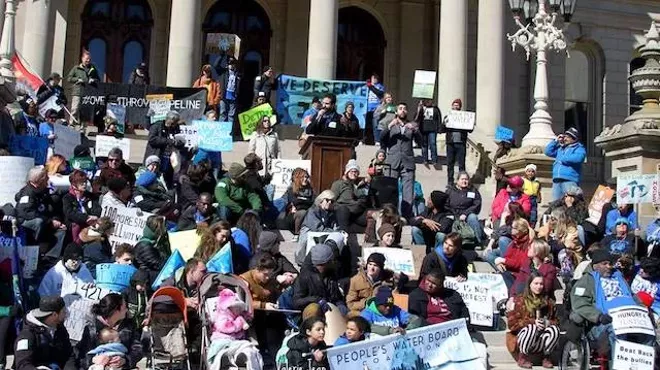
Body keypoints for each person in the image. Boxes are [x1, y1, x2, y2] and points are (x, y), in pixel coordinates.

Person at [570, 249, 653, 358]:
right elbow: (580, 304)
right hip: (602, 322)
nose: (609, 266)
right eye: (604, 264)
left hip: (629, 318)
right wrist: (598, 316)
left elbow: (631, 296)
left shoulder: (618, 277)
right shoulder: (586, 281)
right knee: (617, 332)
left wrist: (642, 309)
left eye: (610, 263)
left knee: (648, 333)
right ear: (595, 265)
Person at [506, 273, 559, 369]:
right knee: (532, 328)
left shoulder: (548, 302)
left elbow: (557, 321)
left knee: (554, 329)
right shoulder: (520, 300)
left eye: (541, 284)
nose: (539, 287)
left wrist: (548, 323)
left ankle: (546, 357)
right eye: (536, 283)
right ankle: (522, 358)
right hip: (523, 339)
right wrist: (532, 321)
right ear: (529, 284)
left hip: (541, 340)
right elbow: (512, 325)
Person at [78, 293, 142, 369]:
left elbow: (138, 349)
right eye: (124, 307)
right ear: (115, 311)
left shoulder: (128, 325)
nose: (127, 310)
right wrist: (93, 359)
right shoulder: (92, 329)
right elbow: (81, 356)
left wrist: (125, 360)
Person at [380, 102, 420, 218]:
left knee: (408, 190)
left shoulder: (412, 125)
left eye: (404, 109)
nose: (403, 110)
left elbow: (421, 142)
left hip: (407, 162)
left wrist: (415, 131)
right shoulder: (389, 123)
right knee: (391, 189)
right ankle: (390, 215)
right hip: (393, 161)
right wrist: (389, 126)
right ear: (396, 112)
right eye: (400, 108)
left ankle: (407, 215)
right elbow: (382, 138)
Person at [15, 167, 66, 257]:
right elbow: (24, 213)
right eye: (46, 177)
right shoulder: (27, 193)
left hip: (45, 221)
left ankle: (50, 258)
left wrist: (55, 220)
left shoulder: (44, 192)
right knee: (38, 222)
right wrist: (49, 221)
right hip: (27, 224)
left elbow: (51, 209)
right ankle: (32, 253)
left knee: (61, 230)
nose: (48, 179)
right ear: (40, 180)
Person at [14, 296, 75, 370]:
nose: (66, 314)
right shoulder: (27, 335)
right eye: (63, 311)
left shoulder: (59, 328)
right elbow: (22, 364)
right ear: (54, 315)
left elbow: (68, 354)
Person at [292, 242, 347, 317]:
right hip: (311, 314)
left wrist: (340, 304)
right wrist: (317, 300)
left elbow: (336, 297)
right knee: (313, 308)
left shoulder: (331, 274)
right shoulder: (304, 277)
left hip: (330, 311)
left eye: (321, 264)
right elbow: (296, 302)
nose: (319, 267)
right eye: (318, 265)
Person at [297, 190, 340, 265]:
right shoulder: (312, 211)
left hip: (322, 237)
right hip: (308, 239)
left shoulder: (332, 214)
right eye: (327, 200)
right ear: (321, 200)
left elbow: (336, 227)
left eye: (332, 201)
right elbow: (318, 228)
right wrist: (333, 232)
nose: (329, 203)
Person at [144, 110, 187, 185]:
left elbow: (179, 140)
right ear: (170, 120)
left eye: (176, 122)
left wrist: (179, 142)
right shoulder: (157, 126)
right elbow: (152, 139)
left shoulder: (176, 128)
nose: (175, 124)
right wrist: (169, 141)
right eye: (174, 122)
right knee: (152, 180)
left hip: (170, 161)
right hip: (156, 157)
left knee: (168, 182)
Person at [544, 127, 587, 201]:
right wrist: (555, 141)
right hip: (557, 180)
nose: (565, 138)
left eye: (568, 137)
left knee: (571, 202)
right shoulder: (560, 149)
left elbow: (578, 158)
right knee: (556, 203)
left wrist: (562, 159)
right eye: (565, 136)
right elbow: (548, 151)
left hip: (569, 180)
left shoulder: (579, 148)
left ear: (574, 139)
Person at [62, 170, 101, 244]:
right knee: (76, 225)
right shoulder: (67, 198)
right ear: (73, 184)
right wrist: (86, 218)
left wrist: (94, 217)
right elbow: (69, 213)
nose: (84, 185)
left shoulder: (91, 196)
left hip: (91, 222)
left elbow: (97, 209)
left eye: (85, 182)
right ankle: (76, 245)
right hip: (75, 223)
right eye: (81, 183)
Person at [446, 171, 483, 245]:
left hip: (467, 214)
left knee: (473, 217)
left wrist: (465, 214)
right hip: (452, 213)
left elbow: (477, 204)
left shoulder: (473, 190)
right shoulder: (450, 190)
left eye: (466, 179)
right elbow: (445, 204)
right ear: (457, 181)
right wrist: (452, 214)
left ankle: (478, 241)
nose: (464, 181)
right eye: (462, 179)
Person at [331, 159, 369, 232]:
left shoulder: (359, 186)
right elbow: (332, 201)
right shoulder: (339, 184)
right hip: (343, 212)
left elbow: (364, 200)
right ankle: (344, 236)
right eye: (351, 171)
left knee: (370, 216)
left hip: (356, 213)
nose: (354, 173)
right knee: (343, 210)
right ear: (347, 172)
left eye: (356, 172)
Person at [440, 99, 471, 184]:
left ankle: (462, 181)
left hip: (461, 143)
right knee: (450, 164)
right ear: (452, 106)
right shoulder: (447, 117)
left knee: (461, 164)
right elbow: (441, 130)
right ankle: (450, 181)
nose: (456, 106)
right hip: (450, 143)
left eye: (457, 105)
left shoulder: (464, 117)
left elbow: (470, 130)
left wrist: (470, 123)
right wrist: (444, 123)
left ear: (460, 107)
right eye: (454, 105)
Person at [277, 168, 314, 240]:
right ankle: (297, 234)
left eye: (306, 177)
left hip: (307, 213)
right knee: (302, 212)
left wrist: (301, 202)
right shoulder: (291, 189)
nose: (305, 179)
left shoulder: (310, 190)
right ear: (297, 178)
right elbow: (295, 202)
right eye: (302, 177)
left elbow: (313, 202)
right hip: (292, 216)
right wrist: (305, 202)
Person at [67, 50, 100, 128]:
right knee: (75, 108)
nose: (88, 60)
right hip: (77, 91)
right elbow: (69, 78)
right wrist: (78, 79)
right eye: (86, 59)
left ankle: (83, 127)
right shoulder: (76, 68)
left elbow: (98, 79)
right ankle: (72, 124)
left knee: (85, 111)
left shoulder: (93, 69)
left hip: (88, 93)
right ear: (82, 59)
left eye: (89, 59)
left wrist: (93, 80)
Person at [133, 215, 171, 283]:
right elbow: (159, 265)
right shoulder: (144, 245)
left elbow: (169, 257)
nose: (163, 230)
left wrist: (165, 243)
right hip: (147, 282)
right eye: (161, 228)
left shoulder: (156, 243)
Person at [415, 99, 442, 165]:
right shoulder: (421, 108)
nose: (428, 102)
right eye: (426, 101)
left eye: (429, 101)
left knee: (432, 144)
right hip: (423, 129)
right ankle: (425, 159)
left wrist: (439, 128)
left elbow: (439, 118)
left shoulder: (435, 108)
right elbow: (416, 118)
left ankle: (434, 160)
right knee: (424, 144)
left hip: (433, 129)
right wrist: (419, 108)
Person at [216, 56, 241, 122]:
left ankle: (230, 129)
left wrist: (237, 93)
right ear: (227, 64)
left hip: (233, 96)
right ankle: (221, 129)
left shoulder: (238, 74)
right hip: (224, 95)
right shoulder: (223, 72)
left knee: (231, 115)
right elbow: (216, 65)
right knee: (222, 113)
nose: (231, 65)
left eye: (233, 64)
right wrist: (221, 55)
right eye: (230, 64)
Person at [366, 73, 386, 143]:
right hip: (367, 108)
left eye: (375, 78)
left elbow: (380, 93)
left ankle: (376, 140)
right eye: (372, 78)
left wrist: (371, 87)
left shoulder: (380, 86)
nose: (373, 80)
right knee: (367, 125)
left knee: (375, 124)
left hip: (376, 108)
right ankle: (366, 139)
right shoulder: (366, 87)